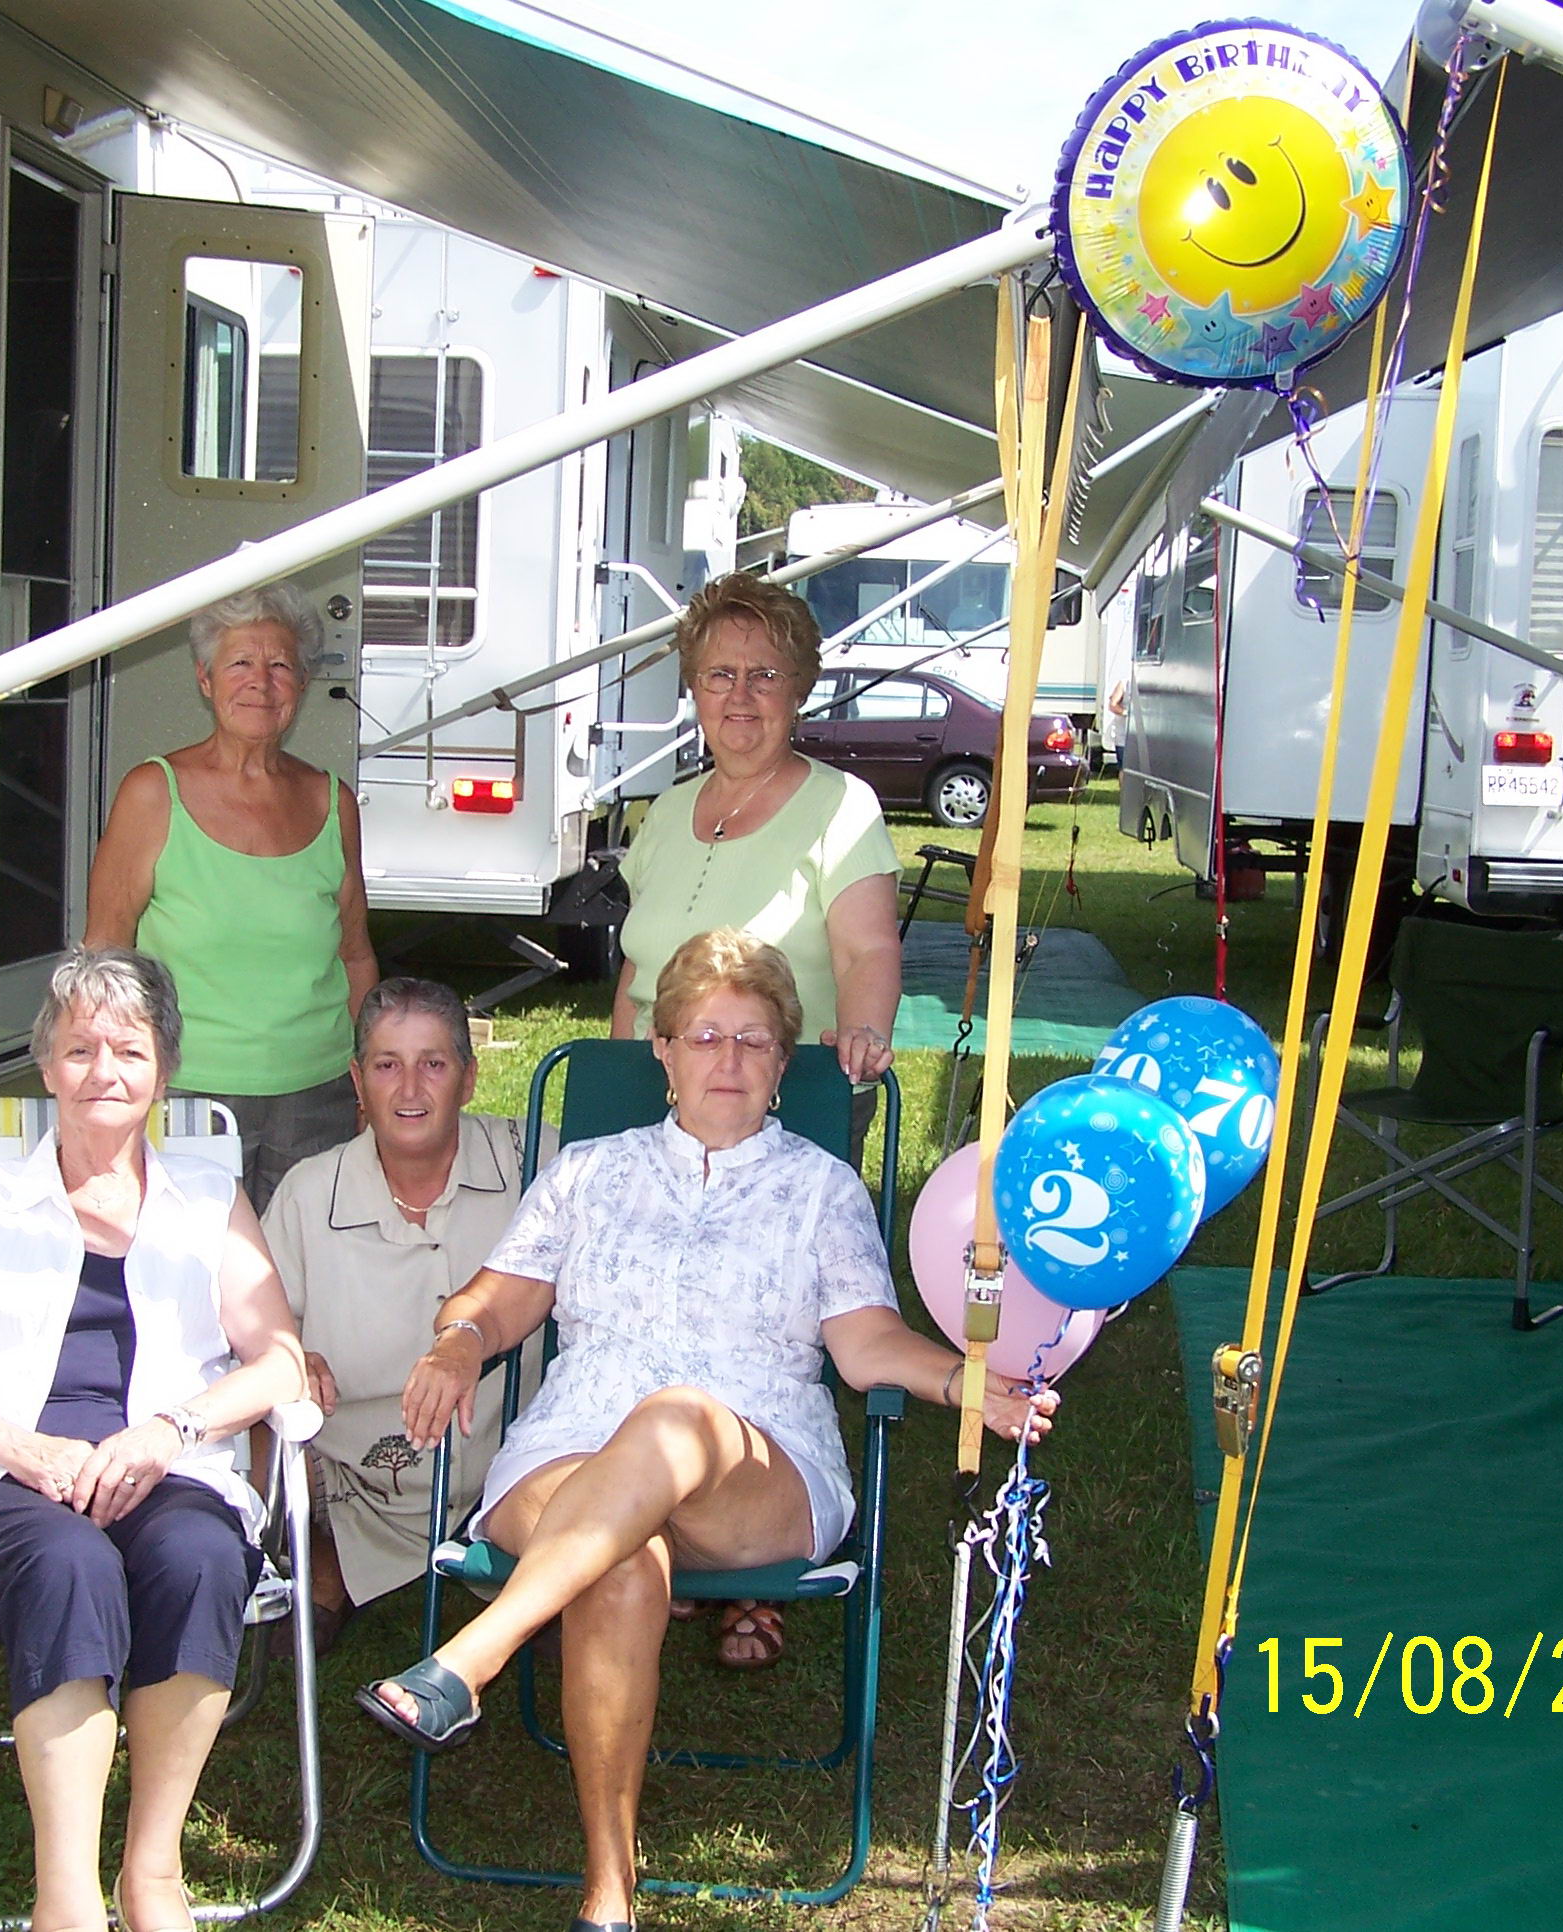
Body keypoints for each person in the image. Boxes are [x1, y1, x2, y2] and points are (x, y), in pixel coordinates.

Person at [356, 930, 1057, 1932]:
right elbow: (496, 1299)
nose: (727, 1060)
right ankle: (608, 1895)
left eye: (753, 1040)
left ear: (781, 1061)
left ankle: (474, 1654)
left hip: (755, 1466)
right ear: (663, 1050)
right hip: (571, 1445)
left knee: (675, 1416)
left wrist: (963, 1383)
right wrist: (460, 1342)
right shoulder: (588, 1171)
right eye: (703, 1037)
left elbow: (864, 1344)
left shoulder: (820, 1187)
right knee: (621, 1563)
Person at [0, 948, 308, 1932]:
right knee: (70, 1567)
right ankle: (65, 1894)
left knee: (197, 1558)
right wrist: (28, 1451)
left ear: (163, 1071)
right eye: (80, 1049)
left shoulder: (208, 1201)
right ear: (47, 1067)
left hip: (163, 1465)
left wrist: (169, 1431)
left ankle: (152, 1872)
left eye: (130, 1051)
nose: (105, 1070)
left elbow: (279, 1364)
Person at [608, 571, 905, 1667]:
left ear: (798, 690)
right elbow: (636, 974)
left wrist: (862, 1032)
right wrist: (609, 1088)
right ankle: (658, 1521)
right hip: (659, 1097)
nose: (739, 696)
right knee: (638, 1304)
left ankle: (754, 1560)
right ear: (692, 688)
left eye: (764, 675)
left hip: (788, 1096)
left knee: (772, 1324)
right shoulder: (663, 813)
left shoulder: (840, 806)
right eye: (719, 674)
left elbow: (868, 948)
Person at [261, 977, 536, 1656]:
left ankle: (536, 1568)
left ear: (468, 1079)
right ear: (358, 1082)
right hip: (356, 1474)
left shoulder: (535, 1162)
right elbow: (255, 1324)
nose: (410, 1088)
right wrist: (292, 1356)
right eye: (387, 1065)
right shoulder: (308, 1193)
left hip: (515, 1464)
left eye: (433, 1064)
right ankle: (326, 1555)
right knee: (256, 1412)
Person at [85, 580, 379, 1212]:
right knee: (190, 1260)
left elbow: (355, 955)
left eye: (281, 666)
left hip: (318, 1095)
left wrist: (366, 1075)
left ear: (302, 684)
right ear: (205, 679)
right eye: (240, 662)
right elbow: (104, 951)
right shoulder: (152, 792)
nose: (261, 683)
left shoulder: (333, 802)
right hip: (184, 1092)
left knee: (297, 1263)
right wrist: (110, 1076)